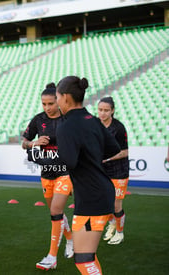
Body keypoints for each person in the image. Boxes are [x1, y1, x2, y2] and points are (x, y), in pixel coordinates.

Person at [31, 76, 120, 275]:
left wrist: (41, 159)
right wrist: (91, 156)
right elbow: (113, 148)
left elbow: (68, 161)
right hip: (99, 192)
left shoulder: (66, 125)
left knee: (83, 260)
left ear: (66, 98)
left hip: (91, 197)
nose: (57, 101)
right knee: (88, 256)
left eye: (58, 97)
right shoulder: (93, 120)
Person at [22, 83, 73, 270]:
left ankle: (52, 256)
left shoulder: (68, 120)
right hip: (46, 173)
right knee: (55, 211)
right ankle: (70, 240)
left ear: (58, 102)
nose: (47, 107)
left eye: (50, 103)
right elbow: (24, 143)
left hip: (65, 172)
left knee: (56, 210)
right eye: (44, 104)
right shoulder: (38, 120)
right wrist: (34, 143)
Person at [97, 96, 129, 245]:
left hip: (119, 171)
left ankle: (120, 233)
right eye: (100, 110)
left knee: (116, 205)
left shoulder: (119, 128)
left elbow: (125, 152)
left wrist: (107, 159)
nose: (102, 113)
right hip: (102, 171)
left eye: (106, 110)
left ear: (112, 111)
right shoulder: (95, 125)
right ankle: (112, 224)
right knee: (104, 202)